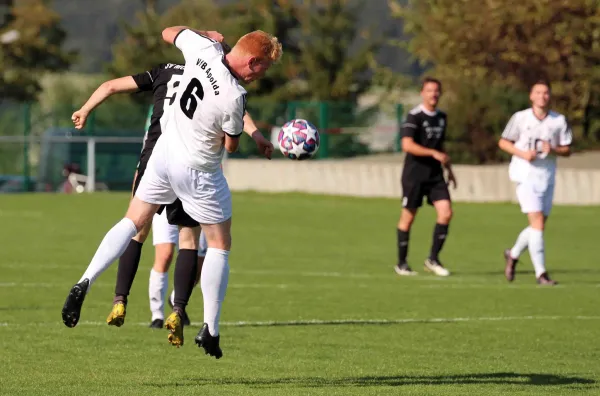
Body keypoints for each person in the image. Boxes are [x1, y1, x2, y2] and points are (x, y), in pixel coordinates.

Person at [62, 27, 280, 359]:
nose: (259, 76)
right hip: (198, 170)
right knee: (220, 244)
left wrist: (204, 33)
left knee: (133, 221)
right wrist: (248, 134)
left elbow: (168, 31)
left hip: (163, 156)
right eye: (262, 68)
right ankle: (211, 328)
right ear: (252, 61)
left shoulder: (203, 48)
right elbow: (231, 145)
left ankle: (85, 281)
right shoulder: (235, 96)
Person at [498, 79, 572, 285]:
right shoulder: (520, 118)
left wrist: (554, 150)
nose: (542, 96)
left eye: (546, 93)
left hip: (547, 176)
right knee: (537, 222)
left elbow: (567, 148)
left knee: (537, 227)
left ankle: (512, 254)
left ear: (550, 96)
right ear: (531, 96)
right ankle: (541, 274)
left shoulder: (558, 120)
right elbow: (503, 142)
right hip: (524, 174)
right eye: (538, 92)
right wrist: (522, 154)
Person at [395, 77, 457, 277]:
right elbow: (407, 145)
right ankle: (402, 263)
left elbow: (441, 147)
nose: (434, 94)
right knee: (408, 218)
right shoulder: (414, 116)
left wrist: (450, 171)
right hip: (414, 175)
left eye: (437, 91)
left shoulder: (442, 117)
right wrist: (432, 154)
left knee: (446, 212)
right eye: (429, 90)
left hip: (435, 176)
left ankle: (433, 259)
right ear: (422, 93)